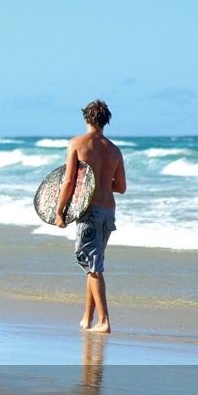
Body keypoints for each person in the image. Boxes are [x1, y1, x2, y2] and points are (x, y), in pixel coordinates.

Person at [54, 99, 126, 334]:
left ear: (86, 119)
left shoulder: (77, 143)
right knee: (92, 263)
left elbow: (68, 181)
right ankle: (87, 318)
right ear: (106, 122)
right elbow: (121, 187)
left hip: (90, 212)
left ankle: (104, 321)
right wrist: (102, 184)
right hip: (108, 211)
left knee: (94, 267)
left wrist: (59, 211)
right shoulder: (115, 150)